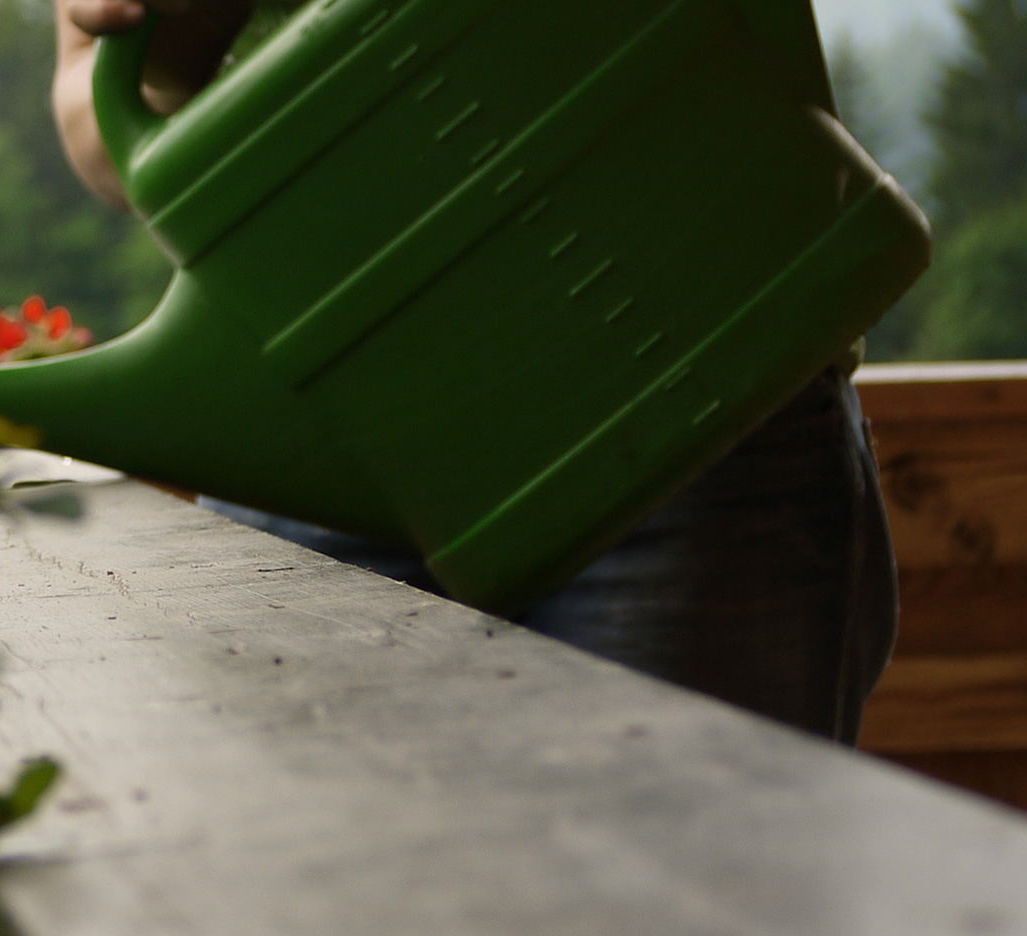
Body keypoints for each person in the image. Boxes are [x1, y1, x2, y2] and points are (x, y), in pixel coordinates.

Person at [47, 0, 898, 742]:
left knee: (695, 866)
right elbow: (90, 105)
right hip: (321, 448)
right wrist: (170, 50)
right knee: (323, 865)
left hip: (690, 394)